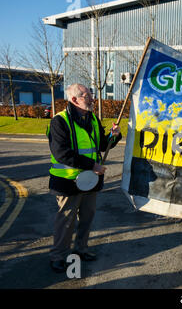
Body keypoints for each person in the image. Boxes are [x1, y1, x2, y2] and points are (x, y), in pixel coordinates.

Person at [47, 83, 122, 273]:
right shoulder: (59, 121)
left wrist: (114, 136)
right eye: (87, 96)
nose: (91, 99)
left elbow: (102, 146)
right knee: (66, 221)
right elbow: (61, 153)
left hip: (90, 181)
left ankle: (81, 249)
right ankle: (58, 256)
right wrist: (92, 166)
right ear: (74, 100)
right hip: (68, 182)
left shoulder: (93, 119)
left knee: (87, 218)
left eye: (90, 95)